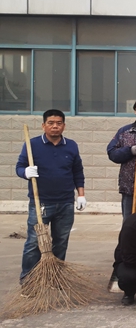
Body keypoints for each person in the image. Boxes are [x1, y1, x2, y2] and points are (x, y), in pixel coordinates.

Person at [16, 109, 86, 282]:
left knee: (61, 241)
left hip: (65, 202)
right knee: (33, 242)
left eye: (59, 123)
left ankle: (54, 277)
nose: (55, 126)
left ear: (64, 126)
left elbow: (77, 171)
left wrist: (81, 194)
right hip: (41, 202)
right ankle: (28, 279)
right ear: (43, 125)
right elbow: (19, 167)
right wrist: (25, 172)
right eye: (51, 123)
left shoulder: (71, 145)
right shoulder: (32, 144)